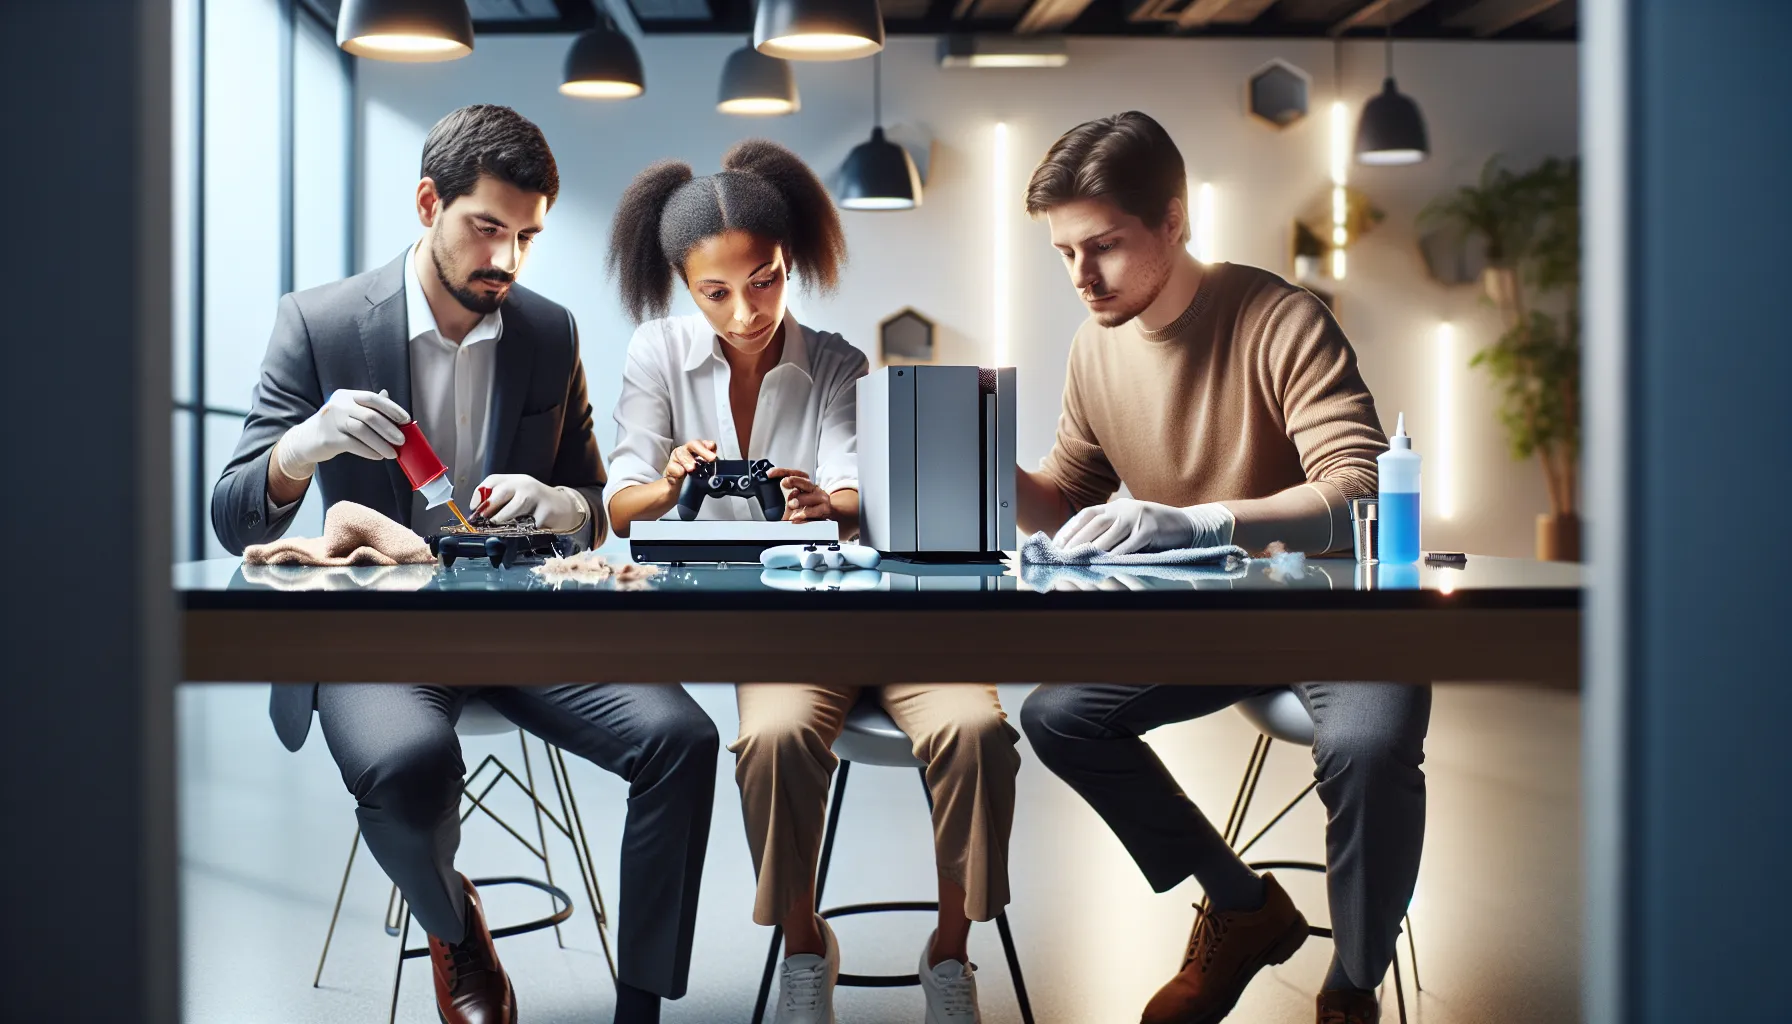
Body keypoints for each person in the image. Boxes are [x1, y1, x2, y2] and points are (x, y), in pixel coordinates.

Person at [211, 104, 716, 1024]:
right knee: (407, 769)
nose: (507, 260)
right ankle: (456, 930)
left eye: (527, 235)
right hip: (379, 638)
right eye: (487, 227)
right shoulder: (318, 323)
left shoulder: (548, 333)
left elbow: (591, 506)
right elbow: (231, 510)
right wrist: (301, 448)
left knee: (682, 740)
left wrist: (559, 506)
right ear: (426, 203)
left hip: (527, 623)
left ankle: (641, 1005)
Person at [1013, 111, 1427, 1024]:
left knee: (1366, 746)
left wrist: (1196, 521)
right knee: (1056, 717)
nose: (1082, 277)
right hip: (1213, 624)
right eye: (1065, 253)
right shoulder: (1095, 349)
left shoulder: (1278, 317)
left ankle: (1351, 984)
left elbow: (1358, 491)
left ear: (1175, 218)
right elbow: (1071, 496)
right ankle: (1241, 907)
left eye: (1104, 246)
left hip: (1337, 613)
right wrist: (979, 467)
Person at [602, 139, 1021, 1024]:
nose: (747, 310)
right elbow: (621, 504)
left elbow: (857, 493)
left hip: (888, 617)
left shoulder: (834, 360)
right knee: (774, 740)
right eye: (716, 291)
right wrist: (676, 481)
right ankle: (803, 943)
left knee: (979, 731)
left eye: (767, 279)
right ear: (683, 285)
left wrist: (815, 498)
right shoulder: (657, 354)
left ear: (790, 264)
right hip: (783, 628)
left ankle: (950, 952)